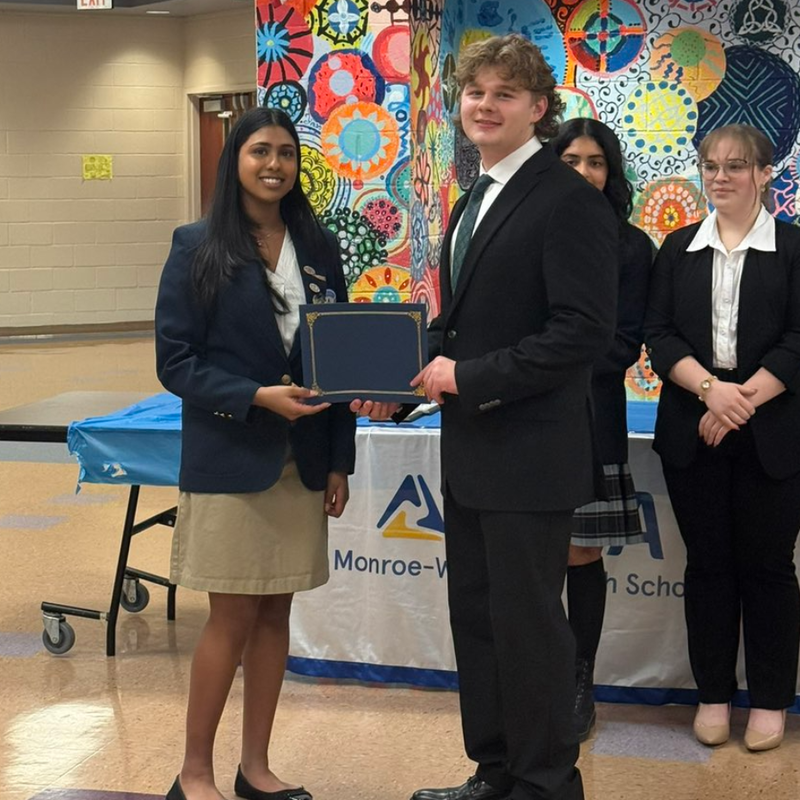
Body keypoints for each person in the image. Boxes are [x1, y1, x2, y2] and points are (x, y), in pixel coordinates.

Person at [354, 35, 618, 800]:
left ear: (539, 108)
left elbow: (580, 334)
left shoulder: (567, 199)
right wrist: (399, 383)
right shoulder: (476, 197)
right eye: (475, 92)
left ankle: (544, 781)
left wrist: (465, 378)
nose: (485, 104)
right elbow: (460, 326)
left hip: (530, 458)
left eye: (505, 93)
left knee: (530, 629)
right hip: (473, 455)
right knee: (480, 620)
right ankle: (496, 771)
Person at [155, 107, 356, 800]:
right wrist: (255, 395)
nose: (275, 165)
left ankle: (256, 768)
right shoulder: (196, 246)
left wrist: (339, 462)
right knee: (233, 615)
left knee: (277, 613)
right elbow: (176, 363)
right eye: (260, 151)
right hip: (231, 456)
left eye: (287, 154)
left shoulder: (319, 246)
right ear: (234, 159)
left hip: (302, 458)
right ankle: (195, 772)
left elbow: (343, 362)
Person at [644, 123, 800, 751]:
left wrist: (740, 400)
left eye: (738, 166)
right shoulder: (678, 248)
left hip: (775, 432)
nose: (721, 177)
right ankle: (713, 695)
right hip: (694, 427)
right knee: (707, 568)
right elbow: (661, 336)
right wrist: (712, 392)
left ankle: (768, 700)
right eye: (711, 165)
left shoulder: (793, 249)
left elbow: (797, 339)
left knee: (767, 570)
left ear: (766, 174)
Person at [551, 118, 654, 741]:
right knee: (532, 560)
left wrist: (545, 366)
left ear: (611, 173)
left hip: (591, 418)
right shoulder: (530, 229)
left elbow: (623, 344)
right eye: (571, 161)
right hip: (525, 422)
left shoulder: (632, 246)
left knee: (581, 554)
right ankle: (539, 680)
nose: (585, 173)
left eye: (595, 162)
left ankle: (578, 685)